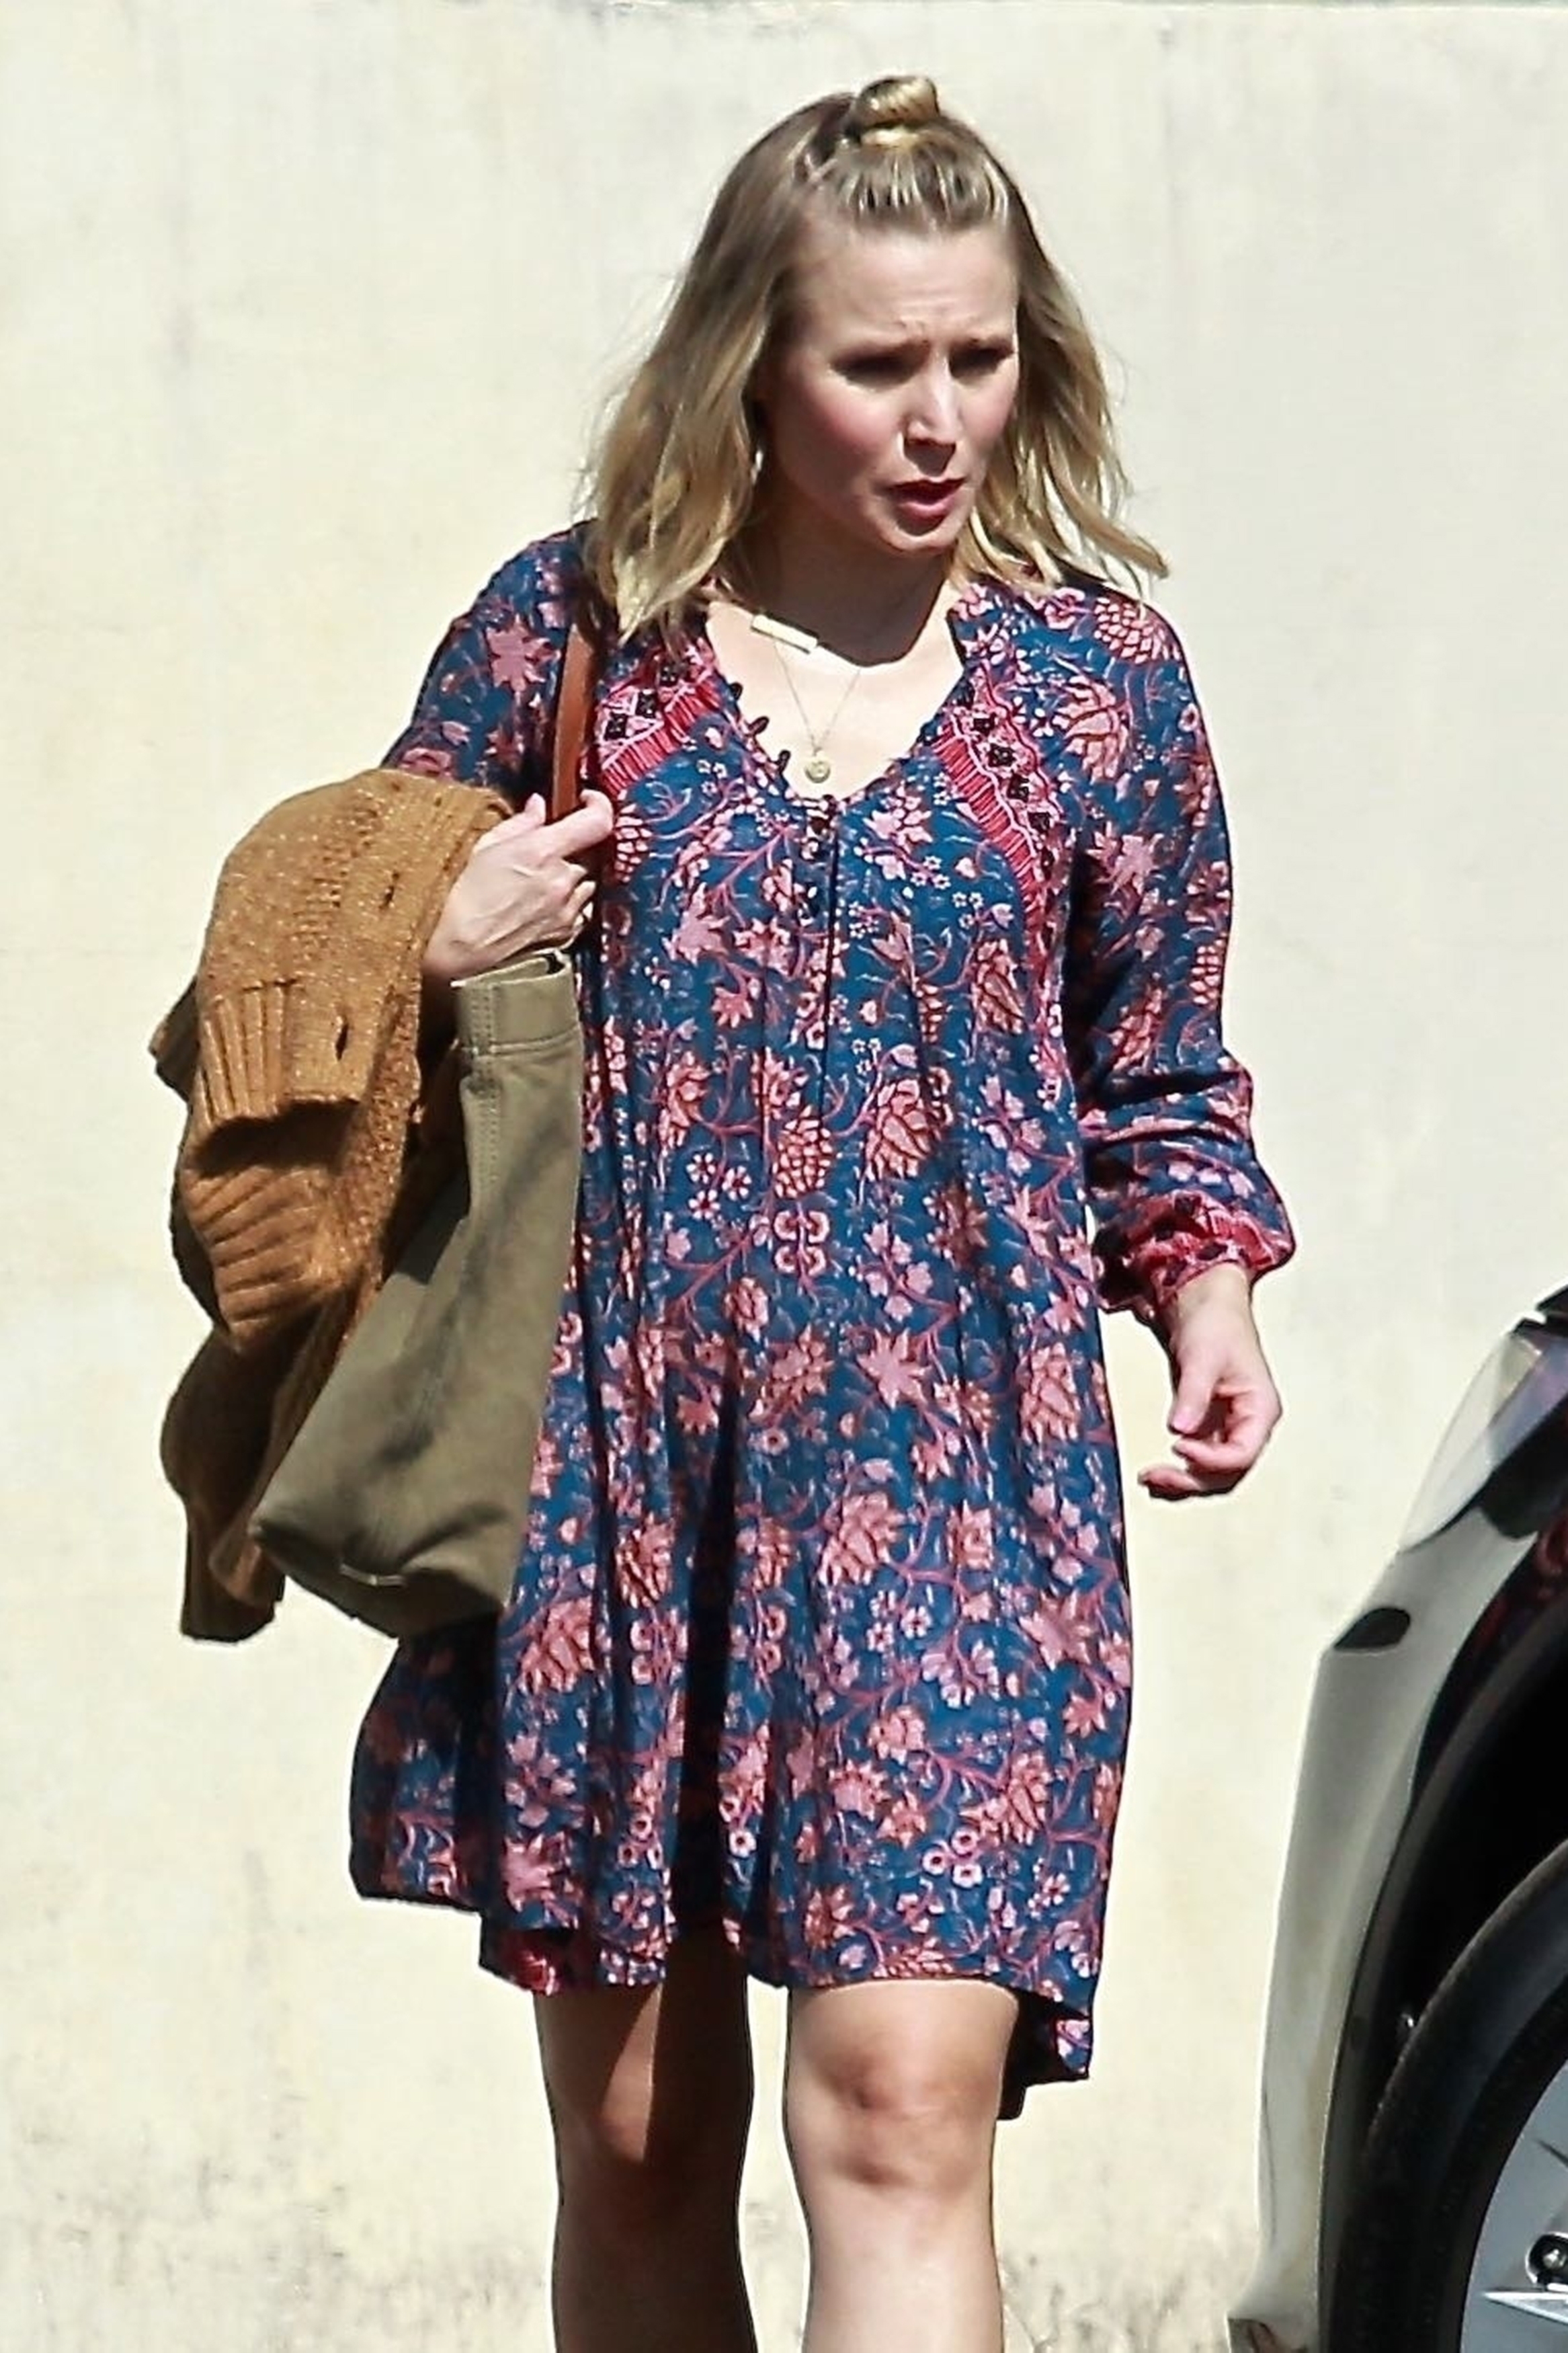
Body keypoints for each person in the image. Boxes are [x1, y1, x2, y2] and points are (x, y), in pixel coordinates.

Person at [348, 73, 1294, 2353]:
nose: (941, 415)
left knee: (896, 2115)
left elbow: (1158, 1067)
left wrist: (1208, 1290)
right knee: (640, 2143)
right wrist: (443, 929)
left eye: (981, 354)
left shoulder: (1098, 690)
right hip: (614, 1484)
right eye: (881, 362)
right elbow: (318, 958)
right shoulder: (575, 640)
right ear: (752, 366)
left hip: (960, 1487)